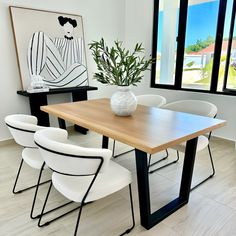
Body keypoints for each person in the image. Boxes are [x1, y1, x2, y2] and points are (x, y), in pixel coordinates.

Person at [27, 16, 88, 89]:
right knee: (39, 35)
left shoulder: (79, 41)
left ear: (73, 28)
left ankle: (46, 83)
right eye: (66, 26)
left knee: (81, 68)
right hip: (61, 73)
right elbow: (51, 54)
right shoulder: (59, 41)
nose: (68, 29)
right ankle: (35, 77)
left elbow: (82, 60)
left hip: (75, 74)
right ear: (63, 27)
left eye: (70, 27)